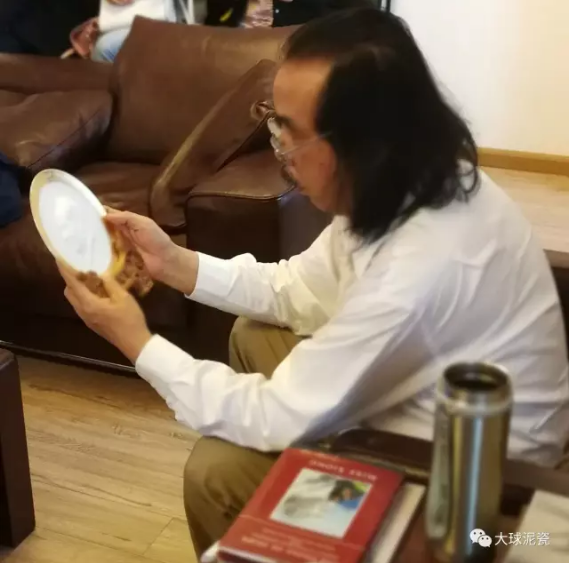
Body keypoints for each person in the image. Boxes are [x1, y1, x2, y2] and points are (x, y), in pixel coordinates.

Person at [56, 7, 569, 557]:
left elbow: (272, 412)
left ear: (362, 145)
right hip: (422, 399)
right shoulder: (403, 183)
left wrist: (136, 341)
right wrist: (175, 262)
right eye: (274, 123)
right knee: (253, 333)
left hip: (480, 482)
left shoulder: (419, 269)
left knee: (216, 470)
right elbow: (293, 289)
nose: (279, 150)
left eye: (289, 133)